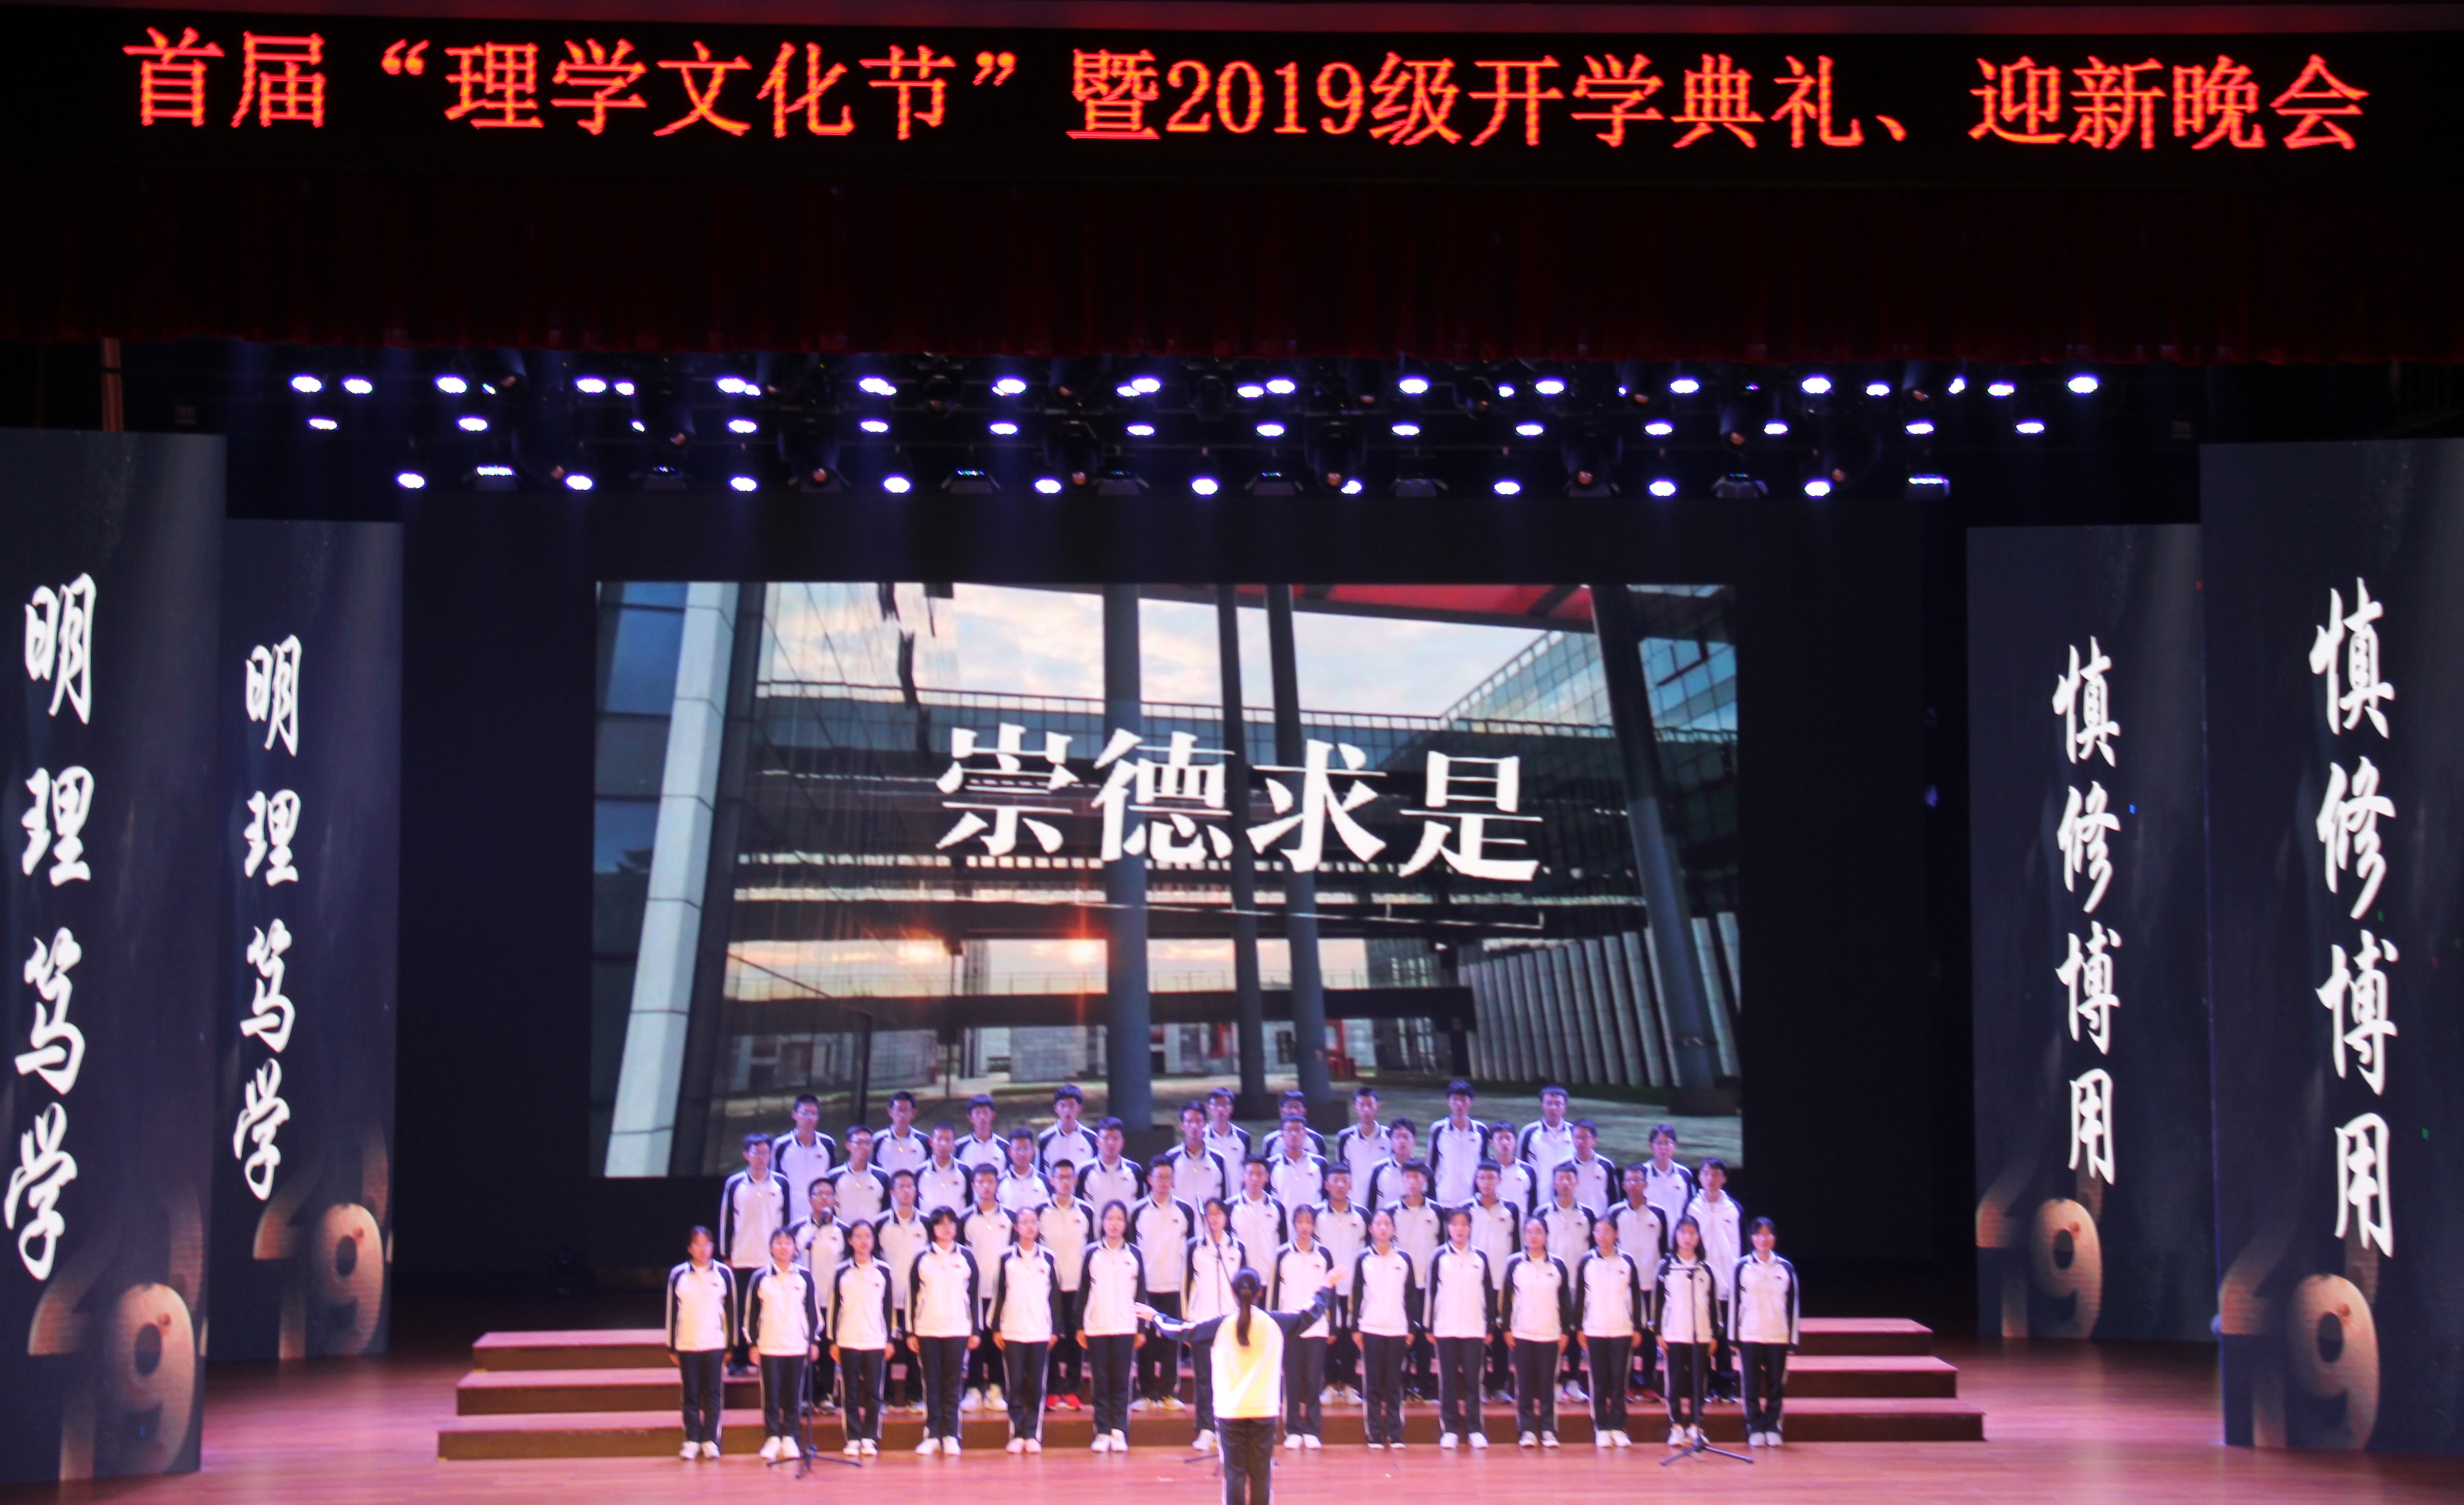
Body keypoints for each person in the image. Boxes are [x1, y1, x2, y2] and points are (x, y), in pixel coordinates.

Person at [1137, 1266, 1340, 1505]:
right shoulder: (1276, 1323)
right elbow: (1312, 1312)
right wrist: (1327, 1285)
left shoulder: (1221, 1325)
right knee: (1261, 1475)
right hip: (1264, 1410)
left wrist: (1156, 1317)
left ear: (1233, 1294)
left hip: (1230, 1411)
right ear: (1260, 1293)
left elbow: (1181, 1330)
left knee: (1234, 1475)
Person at [905, 1206, 982, 1455]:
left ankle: (951, 1434)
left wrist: (975, 1330)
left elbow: (974, 1296)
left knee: (953, 1383)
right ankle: (932, 1434)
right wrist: (910, 1332)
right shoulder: (922, 1258)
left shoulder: (967, 1257)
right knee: (932, 1384)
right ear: (933, 1228)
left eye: (951, 1223)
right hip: (927, 1329)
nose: (946, 1228)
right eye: (941, 1224)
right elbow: (912, 1296)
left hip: (958, 1328)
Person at [745, 1226, 822, 1463]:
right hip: (769, 1344)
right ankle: (772, 1437)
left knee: (793, 1395)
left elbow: (813, 1312)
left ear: (795, 1248)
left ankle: (791, 1437)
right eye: (778, 1243)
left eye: (788, 1243)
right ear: (771, 1248)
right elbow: (751, 1314)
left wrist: (813, 1341)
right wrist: (753, 1344)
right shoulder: (760, 1277)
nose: (783, 1247)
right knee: (771, 1394)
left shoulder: (805, 1277)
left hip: (796, 1344)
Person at [720, 1132, 793, 1376]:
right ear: (746, 1155)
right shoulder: (735, 1184)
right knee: (742, 1309)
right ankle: (740, 1357)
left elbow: (786, 1221)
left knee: (769, 1308)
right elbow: (726, 1220)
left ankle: (767, 1356)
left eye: (765, 1153)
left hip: (771, 1259)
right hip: (742, 1257)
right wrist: (726, 1254)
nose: (761, 1157)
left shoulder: (781, 1183)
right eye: (756, 1152)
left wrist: (787, 1252)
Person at [1425, 1206, 1495, 1450]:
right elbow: (1431, 1293)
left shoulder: (1480, 1258)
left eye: (1464, 1225)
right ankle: (1450, 1429)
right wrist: (1429, 1326)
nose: (1460, 1229)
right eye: (1455, 1225)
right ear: (1449, 1228)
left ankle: (1475, 1429)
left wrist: (1490, 1326)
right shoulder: (1439, 1257)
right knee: (1449, 1382)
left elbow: (1488, 1294)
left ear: (1470, 1228)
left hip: (1474, 1328)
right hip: (1446, 1327)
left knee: (1474, 1382)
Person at [1574, 1213, 1646, 1450]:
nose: (1602, 1236)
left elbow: (1636, 1297)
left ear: (1616, 1234)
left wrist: (1637, 1328)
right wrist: (1579, 1328)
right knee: (1599, 1381)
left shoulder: (1627, 1262)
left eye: (1607, 1232)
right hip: (1594, 1328)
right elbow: (1581, 1298)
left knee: (1619, 1381)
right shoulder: (1587, 1262)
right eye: (1598, 1231)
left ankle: (1618, 1426)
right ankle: (1602, 1427)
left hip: (1622, 1329)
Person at [992, 1206, 1060, 1453]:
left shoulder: (1048, 1258)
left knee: (1036, 1386)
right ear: (1016, 1227)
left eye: (1034, 1222)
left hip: (1040, 1330)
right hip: (1012, 1330)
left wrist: (1055, 1329)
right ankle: (1017, 1433)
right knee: (1015, 1384)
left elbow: (1055, 1297)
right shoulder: (1006, 1258)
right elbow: (999, 1294)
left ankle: (1032, 1433)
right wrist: (997, 1328)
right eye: (1025, 1222)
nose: (1030, 1227)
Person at [1078, 1201, 1145, 1452]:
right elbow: (1083, 1291)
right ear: (1103, 1223)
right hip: (1097, 1326)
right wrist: (1080, 1327)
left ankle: (1119, 1431)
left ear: (1125, 1224)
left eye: (1119, 1219)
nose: (1114, 1224)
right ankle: (1102, 1431)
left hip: (1126, 1326)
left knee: (1121, 1381)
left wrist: (1141, 1329)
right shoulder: (1092, 1253)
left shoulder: (1135, 1254)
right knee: (1101, 1381)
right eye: (1110, 1219)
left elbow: (1141, 1294)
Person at [1184, 1197, 1251, 1451]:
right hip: (1202, 1321)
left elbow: (1245, 1286)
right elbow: (1185, 1284)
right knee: (1204, 1378)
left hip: (1231, 1323)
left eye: (1218, 1214)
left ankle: (1228, 1428)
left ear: (1226, 1217)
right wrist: (1188, 1321)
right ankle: (1205, 1428)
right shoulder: (1194, 1247)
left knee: (1231, 1376)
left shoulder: (1238, 1247)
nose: (1214, 1219)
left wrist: (1244, 1318)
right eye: (1209, 1214)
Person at [1502, 1216, 1573, 1448]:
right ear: (1524, 1235)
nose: (1534, 1237)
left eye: (1539, 1232)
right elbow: (1507, 1300)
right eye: (1530, 1232)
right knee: (1523, 1384)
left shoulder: (1558, 1265)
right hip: (1522, 1332)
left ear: (1546, 1236)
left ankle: (1548, 1429)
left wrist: (1565, 1332)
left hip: (1550, 1334)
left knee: (1547, 1385)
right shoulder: (1515, 1264)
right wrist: (1507, 1329)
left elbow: (1565, 1302)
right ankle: (1527, 1430)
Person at [665, 1226, 734, 1461]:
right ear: (689, 1248)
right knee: (691, 1394)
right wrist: (671, 1346)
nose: (703, 1249)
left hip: (715, 1343)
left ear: (713, 1247)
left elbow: (731, 1311)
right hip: (687, 1343)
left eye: (707, 1244)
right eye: (698, 1244)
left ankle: (711, 1440)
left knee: (713, 1394)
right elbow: (672, 1312)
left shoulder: (724, 1274)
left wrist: (731, 1346)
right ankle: (691, 1440)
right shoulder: (678, 1275)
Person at [1350, 1209, 1417, 1450]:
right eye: (1378, 1224)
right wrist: (1355, 1328)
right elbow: (1357, 1295)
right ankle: (1375, 1433)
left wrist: (1411, 1328)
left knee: (1394, 1382)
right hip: (1371, 1327)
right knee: (1373, 1384)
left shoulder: (1404, 1260)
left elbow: (1411, 1296)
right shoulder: (1363, 1259)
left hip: (1397, 1328)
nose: (1383, 1228)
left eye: (1387, 1224)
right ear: (1371, 1229)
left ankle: (1396, 1433)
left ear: (1393, 1229)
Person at [1731, 1217, 1800, 1448]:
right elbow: (1734, 1304)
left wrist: (1792, 1340)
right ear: (1752, 1238)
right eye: (1759, 1235)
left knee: (1776, 1384)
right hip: (1749, 1334)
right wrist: (1733, 1337)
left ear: (1774, 1238)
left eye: (1768, 1234)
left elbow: (1793, 1306)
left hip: (1777, 1335)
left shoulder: (1785, 1268)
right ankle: (1754, 1426)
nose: (1763, 1239)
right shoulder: (1741, 1267)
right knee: (1750, 1384)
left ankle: (1773, 1425)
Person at [830, 1219, 895, 1457]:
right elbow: (835, 1308)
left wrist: (889, 1340)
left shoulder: (884, 1271)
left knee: (873, 1393)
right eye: (858, 1236)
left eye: (868, 1236)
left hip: (875, 1339)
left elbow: (888, 1308)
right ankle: (853, 1437)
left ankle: (870, 1437)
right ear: (850, 1241)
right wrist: (833, 1341)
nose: (863, 1241)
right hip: (848, 1339)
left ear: (874, 1240)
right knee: (850, 1392)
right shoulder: (841, 1272)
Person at [1272, 1205, 1335, 1449]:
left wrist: (1332, 1326)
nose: (1304, 1227)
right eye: (1300, 1222)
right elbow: (1274, 1294)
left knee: (1314, 1379)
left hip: (1317, 1326)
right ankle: (1293, 1429)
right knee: (1292, 1379)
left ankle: (1312, 1429)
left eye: (1309, 1222)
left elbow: (1330, 1291)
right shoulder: (1282, 1254)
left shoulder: (1324, 1255)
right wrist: (1274, 1325)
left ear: (1314, 1225)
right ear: (1294, 1224)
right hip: (1290, 1327)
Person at [1654, 1216, 1718, 1447]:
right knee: (1674, 1381)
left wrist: (1713, 1334)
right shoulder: (1666, 1267)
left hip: (1700, 1334)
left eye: (1692, 1234)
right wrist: (1659, 1332)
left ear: (1698, 1238)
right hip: (1674, 1332)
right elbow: (1658, 1303)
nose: (1688, 1238)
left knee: (1698, 1382)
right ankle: (1677, 1426)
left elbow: (1712, 1305)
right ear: (1676, 1236)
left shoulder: (1705, 1269)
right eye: (1684, 1233)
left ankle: (1696, 1425)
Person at [1685, 1158, 1744, 1401]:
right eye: (1707, 1174)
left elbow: (1743, 1246)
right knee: (1702, 1335)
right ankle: (1705, 1384)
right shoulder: (1691, 1208)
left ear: (1724, 1179)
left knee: (1724, 1337)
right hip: (1700, 1282)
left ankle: (1726, 1385)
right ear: (1700, 1178)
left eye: (1716, 1174)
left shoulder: (1734, 1209)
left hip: (1727, 1282)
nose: (1711, 1178)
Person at [1610, 1164, 1671, 1400]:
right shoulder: (1616, 1213)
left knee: (1649, 1336)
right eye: (1629, 1180)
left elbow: (1665, 1250)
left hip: (1651, 1284)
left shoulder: (1659, 1213)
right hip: (1624, 1285)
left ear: (1646, 1184)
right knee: (1626, 1335)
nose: (1634, 1185)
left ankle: (1648, 1382)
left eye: (1638, 1180)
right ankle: (1626, 1383)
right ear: (1623, 1185)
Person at [1462, 1160, 1521, 1402]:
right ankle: (1476, 1385)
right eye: (1482, 1178)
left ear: (1500, 1180)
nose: (1486, 1183)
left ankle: (1498, 1385)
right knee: (1475, 1334)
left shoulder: (1511, 1209)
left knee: (1499, 1333)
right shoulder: (1466, 1208)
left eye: (1491, 1178)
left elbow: (1516, 1247)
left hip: (1501, 1280)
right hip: (1472, 1282)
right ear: (1476, 1180)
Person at [874, 1171, 932, 1410]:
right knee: (885, 1347)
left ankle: (915, 1395)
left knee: (915, 1348)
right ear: (892, 1192)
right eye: (902, 1187)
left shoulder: (927, 1223)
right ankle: (884, 1396)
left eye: (911, 1187)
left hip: (918, 1297)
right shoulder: (880, 1223)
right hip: (888, 1296)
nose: (907, 1191)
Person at [1537, 1164, 1595, 1402]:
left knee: (1575, 1331)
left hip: (1579, 1284)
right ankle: (1556, 1381)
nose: (1565, 1183)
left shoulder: (1588, 1215)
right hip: (1550, 1283)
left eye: (1570, 1179)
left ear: (1576, 1182)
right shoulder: (1542, 1213)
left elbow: (1594, 1251)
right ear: (1554, 1182)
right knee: (1555, 1332)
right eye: (1561, 1179)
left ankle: (1573, 1381)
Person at [960, 1166, 1015, 1412]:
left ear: (997, 1185)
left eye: (990, 1181)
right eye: (980, 1182)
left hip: (1001, 1292)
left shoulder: (1010, 1217)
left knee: (997, 1342)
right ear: (973, 1186)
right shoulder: (964, 1219)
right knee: (975, 1341)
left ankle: (996, 1389)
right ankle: (973, 1389)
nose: (985, 1186)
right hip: (973, 1291)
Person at [1041, 1161, 1095, 1408]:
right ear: (1052, 1181)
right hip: (1048, 1285)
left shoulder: (1086, 1211)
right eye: (1060, 1177)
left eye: (1069, 1177)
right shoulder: (1041, 1211)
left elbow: (1092, 1249)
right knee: (1050, 1336)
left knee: (1076, 1338)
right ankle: (1052, 1388)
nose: (1064, 1182)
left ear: (1075, 1181)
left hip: (1077, 1284)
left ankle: (1073, 1388)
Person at [790, 1179, 847, 1412]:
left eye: (829, 1194)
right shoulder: (797, 1229)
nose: (824, 1199)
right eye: (819, 1194)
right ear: (810, 1199)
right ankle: (805, 1395)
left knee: (827, 1349)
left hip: (832, 1300)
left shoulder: (843, 1231)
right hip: (804, 1301)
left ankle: (825, 1394)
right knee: (806, 1347)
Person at [1312, 1166, 1368, 1403]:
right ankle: (1328, 1384)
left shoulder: (1362, 1215)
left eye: (1345, 1180)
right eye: (1336, 1180)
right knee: (1328, 1335)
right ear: (1327, 1185)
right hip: (1325, 1286)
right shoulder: (1316, 1214)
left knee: (1350, 1337)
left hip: (1353, 1286)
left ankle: (1348, 1385)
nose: (1341, 1185)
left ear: (1351, 1185)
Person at [1386, 1163, 1442, 1400]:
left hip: (1427, 1284)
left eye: (1417, 1177)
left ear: (1425, 1181)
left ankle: (1424, 1387)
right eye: (1408, 1177)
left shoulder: (1436, 1211)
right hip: (1398, 1283)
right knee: (1401, 1335)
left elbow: (1443, 1248)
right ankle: (1400, 1386)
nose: (1412, 1182)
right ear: (1403, 1180)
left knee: (1424, 1337)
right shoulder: (1391, 1211)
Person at [1426, 1081, 1489, 1208]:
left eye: (1464, 1100)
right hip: (1444, 1197)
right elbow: (1431, 1164)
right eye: (1455, 1100)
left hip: (1472, 1198)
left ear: (1471, 1102)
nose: (1459, 1104)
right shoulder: (1438, 1129)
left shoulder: (1481, 1130)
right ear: (1448, 1102)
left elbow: (1485, 1164)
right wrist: (1430, 1196)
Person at [772, 1094, 837, 1210]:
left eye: (814, 1114)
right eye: (805, 1113)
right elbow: (775, 1181)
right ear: (795, 1115)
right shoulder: (781, 1145)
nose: (810, 1118)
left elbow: (832, 1178)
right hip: (791, 1209)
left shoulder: (828, 1144)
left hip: (820, 1210)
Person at [1167, 1103, 1233, 1206]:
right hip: (1180, 1216)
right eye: (1189, 1122)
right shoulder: (1171, 1158)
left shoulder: (1218, 1159)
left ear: (1205, 1124)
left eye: (1198, 1121)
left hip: (1211, 1216)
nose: (1194, 1126)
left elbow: (1226, 1196)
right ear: (1182, 1126)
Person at [1637, 1124, 1696, 1233]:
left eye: (1668, 1143)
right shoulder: (1641, 1173)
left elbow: (1691, 1209)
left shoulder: (1684, 1174)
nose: (1664, 1148)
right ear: (1651, 1146)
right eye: (1659, 1143)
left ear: (1675, 1146)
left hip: (1677, 1238)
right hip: (1647, 1236)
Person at [1333, 1086, 1390, 1192]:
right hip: (1354, 1196)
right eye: (1362, 1105)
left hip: (1382, 1197)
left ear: (1377, 1107)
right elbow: (1340, 1170)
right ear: (1355, 1108)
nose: (1366, 1110)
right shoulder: (1345, 1137)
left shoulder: (1390, 1136)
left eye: (1370, 1105)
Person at [1229, 1157, 1286, 1262]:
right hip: (1240, 1269)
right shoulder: (1230, 1207)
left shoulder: (1277, 1208)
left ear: (1267, 1177)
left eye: (1259, 1175)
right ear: (1243, 1175)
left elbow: (1283, 1244)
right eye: (1250, 1174)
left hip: (1270, 1269)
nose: (1255, 1179)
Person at [830, 1125, 892, 1223]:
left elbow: (886, 1210)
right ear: (848, 1146)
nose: (864, 1147)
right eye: (859, 1143)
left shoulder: (882, 1177)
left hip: (872, 1231)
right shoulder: (834, 1177)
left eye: (868, 1143)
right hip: (842, 1231)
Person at [1265, 1116, 1326, 1212]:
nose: (1294, 1134)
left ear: (1305, 1134)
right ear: (1282, 1134)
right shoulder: (1271, 1165)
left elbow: (1325, 1196)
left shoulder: (1320, 1163)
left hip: (1313, 1220)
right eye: (1289, 1130)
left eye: (1298, 1130)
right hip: (1282, 1220)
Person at [1082, 1117, 1146, 1209]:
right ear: (1098, 1142)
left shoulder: (1135, 1170)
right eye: (1106, 1138)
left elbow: (1140, 1207)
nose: (1111, 1143)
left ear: (1123, 1142)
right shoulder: (1084, 1171)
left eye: (1116, 1138)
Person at [1039, 1084, 1099, 1173]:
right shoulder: (1045, 1139)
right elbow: (1040, 1173)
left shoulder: (1092, 1138)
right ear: (1056, 1109)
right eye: (1063, 1106)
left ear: (1080, 1108)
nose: (1067, 1110)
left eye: (1071, 1105)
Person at [1518, 1085, 1575, 1176]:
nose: (1553, 1108)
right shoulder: (1529, 1132)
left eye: (1558, 1104)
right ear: (1542, 1106)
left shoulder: (1574, 1132)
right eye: (1549, 1104)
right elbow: (1521, 1166)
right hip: (1539, 1185)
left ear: (1565, 1107)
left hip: (1568, 1185)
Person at [1564, 1120, 1617, 1217]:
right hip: (1572, 1220)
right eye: (1577, 1137)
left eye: (1585, 1138)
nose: (1580, 1142)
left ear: (1594, 1140)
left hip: (1599, 1222)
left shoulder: (1606, 1166)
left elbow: (1613, 1199)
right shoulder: (1564, 1166)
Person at [1363, 1119, 1419, 1209]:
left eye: (1406, 1137)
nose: (1402, 1141)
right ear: (1391, 1141)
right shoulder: (1378, 1170)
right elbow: (1371, 1205)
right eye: (1397, 1137)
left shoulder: (1424, 1171)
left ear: (1414, 1141)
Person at [917, 1123, 971, 1215]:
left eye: (948, 1140)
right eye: (939, 1139)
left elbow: (970, 1202)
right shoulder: (920, 1172)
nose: (943, 1144)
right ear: (931, 1142)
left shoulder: (965, 1171)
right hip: (927, 1223)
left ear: (954, 1143)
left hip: (956, 1223)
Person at [1486, 1124, 1536, 1219]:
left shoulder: (1528, 1171)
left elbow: (1532, 1203)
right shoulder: (1485, 1170)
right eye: (1500, 1139)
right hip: (1492, 1222)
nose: (1505, 1143)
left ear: (1516, 1142)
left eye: (1508, 1138)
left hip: (1520, 1223)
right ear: (1491, 1143)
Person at [876, 1090, 931, 1174]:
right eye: (899, 1110)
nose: (902, 1115)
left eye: (906, 1111)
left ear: (913, 1113)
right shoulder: (878, 1140)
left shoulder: (924, 1141)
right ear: (890, 1112)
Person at [997, 1128, 1051, 1215]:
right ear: (1010, 1151)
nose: (1021, 1154)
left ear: (1033, 1150)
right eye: (1017, 1149)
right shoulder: (999, 1182)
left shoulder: (1045, 1182)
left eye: (1026, 1149)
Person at [956, 1093, 1008, 1173]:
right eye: (978, 1113)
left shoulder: (1004, 1146)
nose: (982, 1117)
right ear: (970, 1118)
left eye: (985, 1113)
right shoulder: (959, 1146)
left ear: (993, 1116)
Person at [1201, 1087, 1253, 1164]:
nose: (1220, 1109)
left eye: (1225, 1105)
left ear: (1232, 1109)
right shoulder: (1201, 1136)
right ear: (1208, 1108)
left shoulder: (1243, 1137)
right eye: (1216, 1105)